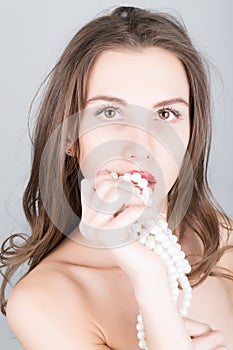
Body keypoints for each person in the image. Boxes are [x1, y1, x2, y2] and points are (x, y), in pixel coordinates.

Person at [0, 5, 233, 349]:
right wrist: (150, 283)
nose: (141, 145)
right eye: (110, 112)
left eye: (166, 113)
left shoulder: (218, 237)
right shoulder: (44, 302)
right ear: (69, 137)